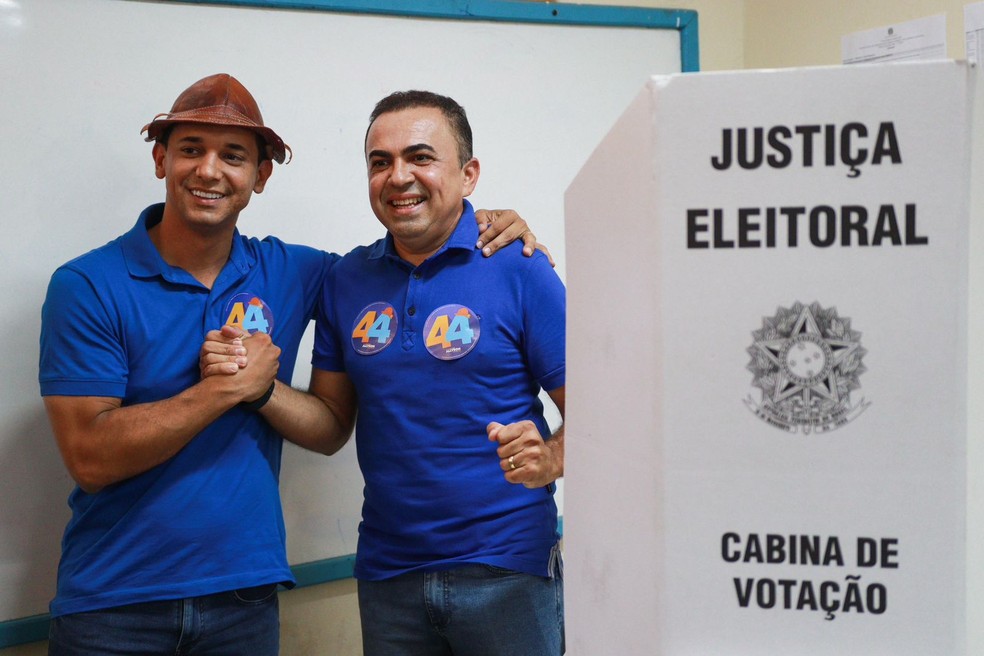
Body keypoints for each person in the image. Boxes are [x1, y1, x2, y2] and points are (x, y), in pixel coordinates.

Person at [38, 73, 539, 655]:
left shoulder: (304, 273)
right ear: (160, 159)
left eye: (233, 156)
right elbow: (91, 459)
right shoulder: (87, 285)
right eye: (190, 150)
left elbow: (334, 418)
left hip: (244, 602)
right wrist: (226, 389)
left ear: (260, 175)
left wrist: (491, 224)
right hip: (111, 607)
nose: (209, 171)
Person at [203, 90, 566, 655]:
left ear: (468, 175)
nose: (399, 177)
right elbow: (329, 424)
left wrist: (556, 457)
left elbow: (603, 409)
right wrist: (256, 389)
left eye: (421, 157)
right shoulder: (347, 280)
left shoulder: (519, 268)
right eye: (381, 162)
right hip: (387, 574)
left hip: (506, 569)